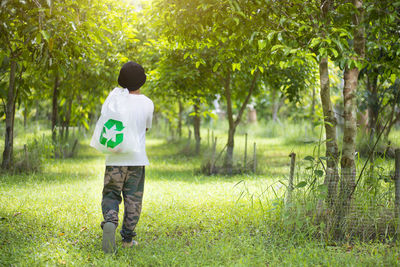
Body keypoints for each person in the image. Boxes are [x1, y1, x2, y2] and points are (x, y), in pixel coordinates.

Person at [101, 62, 154, 253]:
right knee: (133, 199)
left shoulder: (113, 100)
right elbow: (146, 128)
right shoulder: (147, 103)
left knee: (111, 194)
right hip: (137, 160)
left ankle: (110, 220)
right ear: (142, 81)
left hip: (115, 158)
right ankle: (127, 239)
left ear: (121, 80)